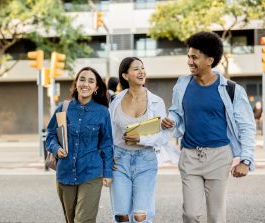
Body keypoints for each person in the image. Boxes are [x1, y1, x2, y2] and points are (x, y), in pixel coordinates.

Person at [161, 31, 256, 223]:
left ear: (210, 60)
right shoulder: (183, 83)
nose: (189, 61)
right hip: (189, 156)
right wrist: (170, 120)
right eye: (188, 56)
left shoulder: (232, 89)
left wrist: (245, 161)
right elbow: (177, 112)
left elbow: (246, 126)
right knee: (190, 214)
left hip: (219, 156)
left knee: (215, 216)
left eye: (194, 57)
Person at [109, 57, 179, 223]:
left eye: (142, 68)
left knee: (141, 216)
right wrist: (107, 156)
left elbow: (163, 136)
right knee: (121, 215)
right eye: (136, 69)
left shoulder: (156, 102)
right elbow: (109, 134)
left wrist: (142, 138)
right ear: (125, 76)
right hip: (119, 161)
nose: (141, 72)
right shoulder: (115, 101)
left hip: (145, 160)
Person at [46, 67, 114, 223]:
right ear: (76, 83)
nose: (85, 84)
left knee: (83, 220)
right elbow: (50, 135)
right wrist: (57, 149)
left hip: (91, 173)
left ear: (96, 88)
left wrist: (108, 172)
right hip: (65, 174)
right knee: (71, 220)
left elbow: (107, 144)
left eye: (91, 81)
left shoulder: (102, 112)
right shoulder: (63, 108)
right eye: (82, 79)